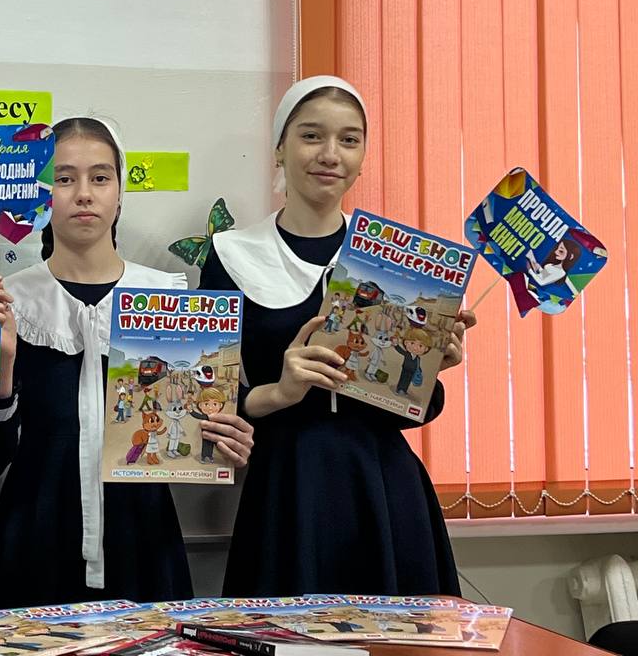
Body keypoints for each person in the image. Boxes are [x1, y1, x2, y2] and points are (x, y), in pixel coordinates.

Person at [199, 77, 476, 597]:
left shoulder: (395, 265)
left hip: (384, 489)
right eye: (311, 136)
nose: (330, 154)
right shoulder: (233, 255)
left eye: (349, 140)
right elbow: (208, 400)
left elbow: (410, 411)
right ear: (279, 148)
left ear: (363, 157)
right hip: (288, 489)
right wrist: (279, 392)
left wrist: (426, 369)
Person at [0, 117, 255, 608]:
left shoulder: (168, 300)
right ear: (41, 195)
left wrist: (226, 436)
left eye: (100, 177)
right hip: (35, 537)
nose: (84, 194)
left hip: (141, 537)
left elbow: (198, 423)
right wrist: (3, 367)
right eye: (63, 178)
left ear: (120, 194)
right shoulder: (8, 304)